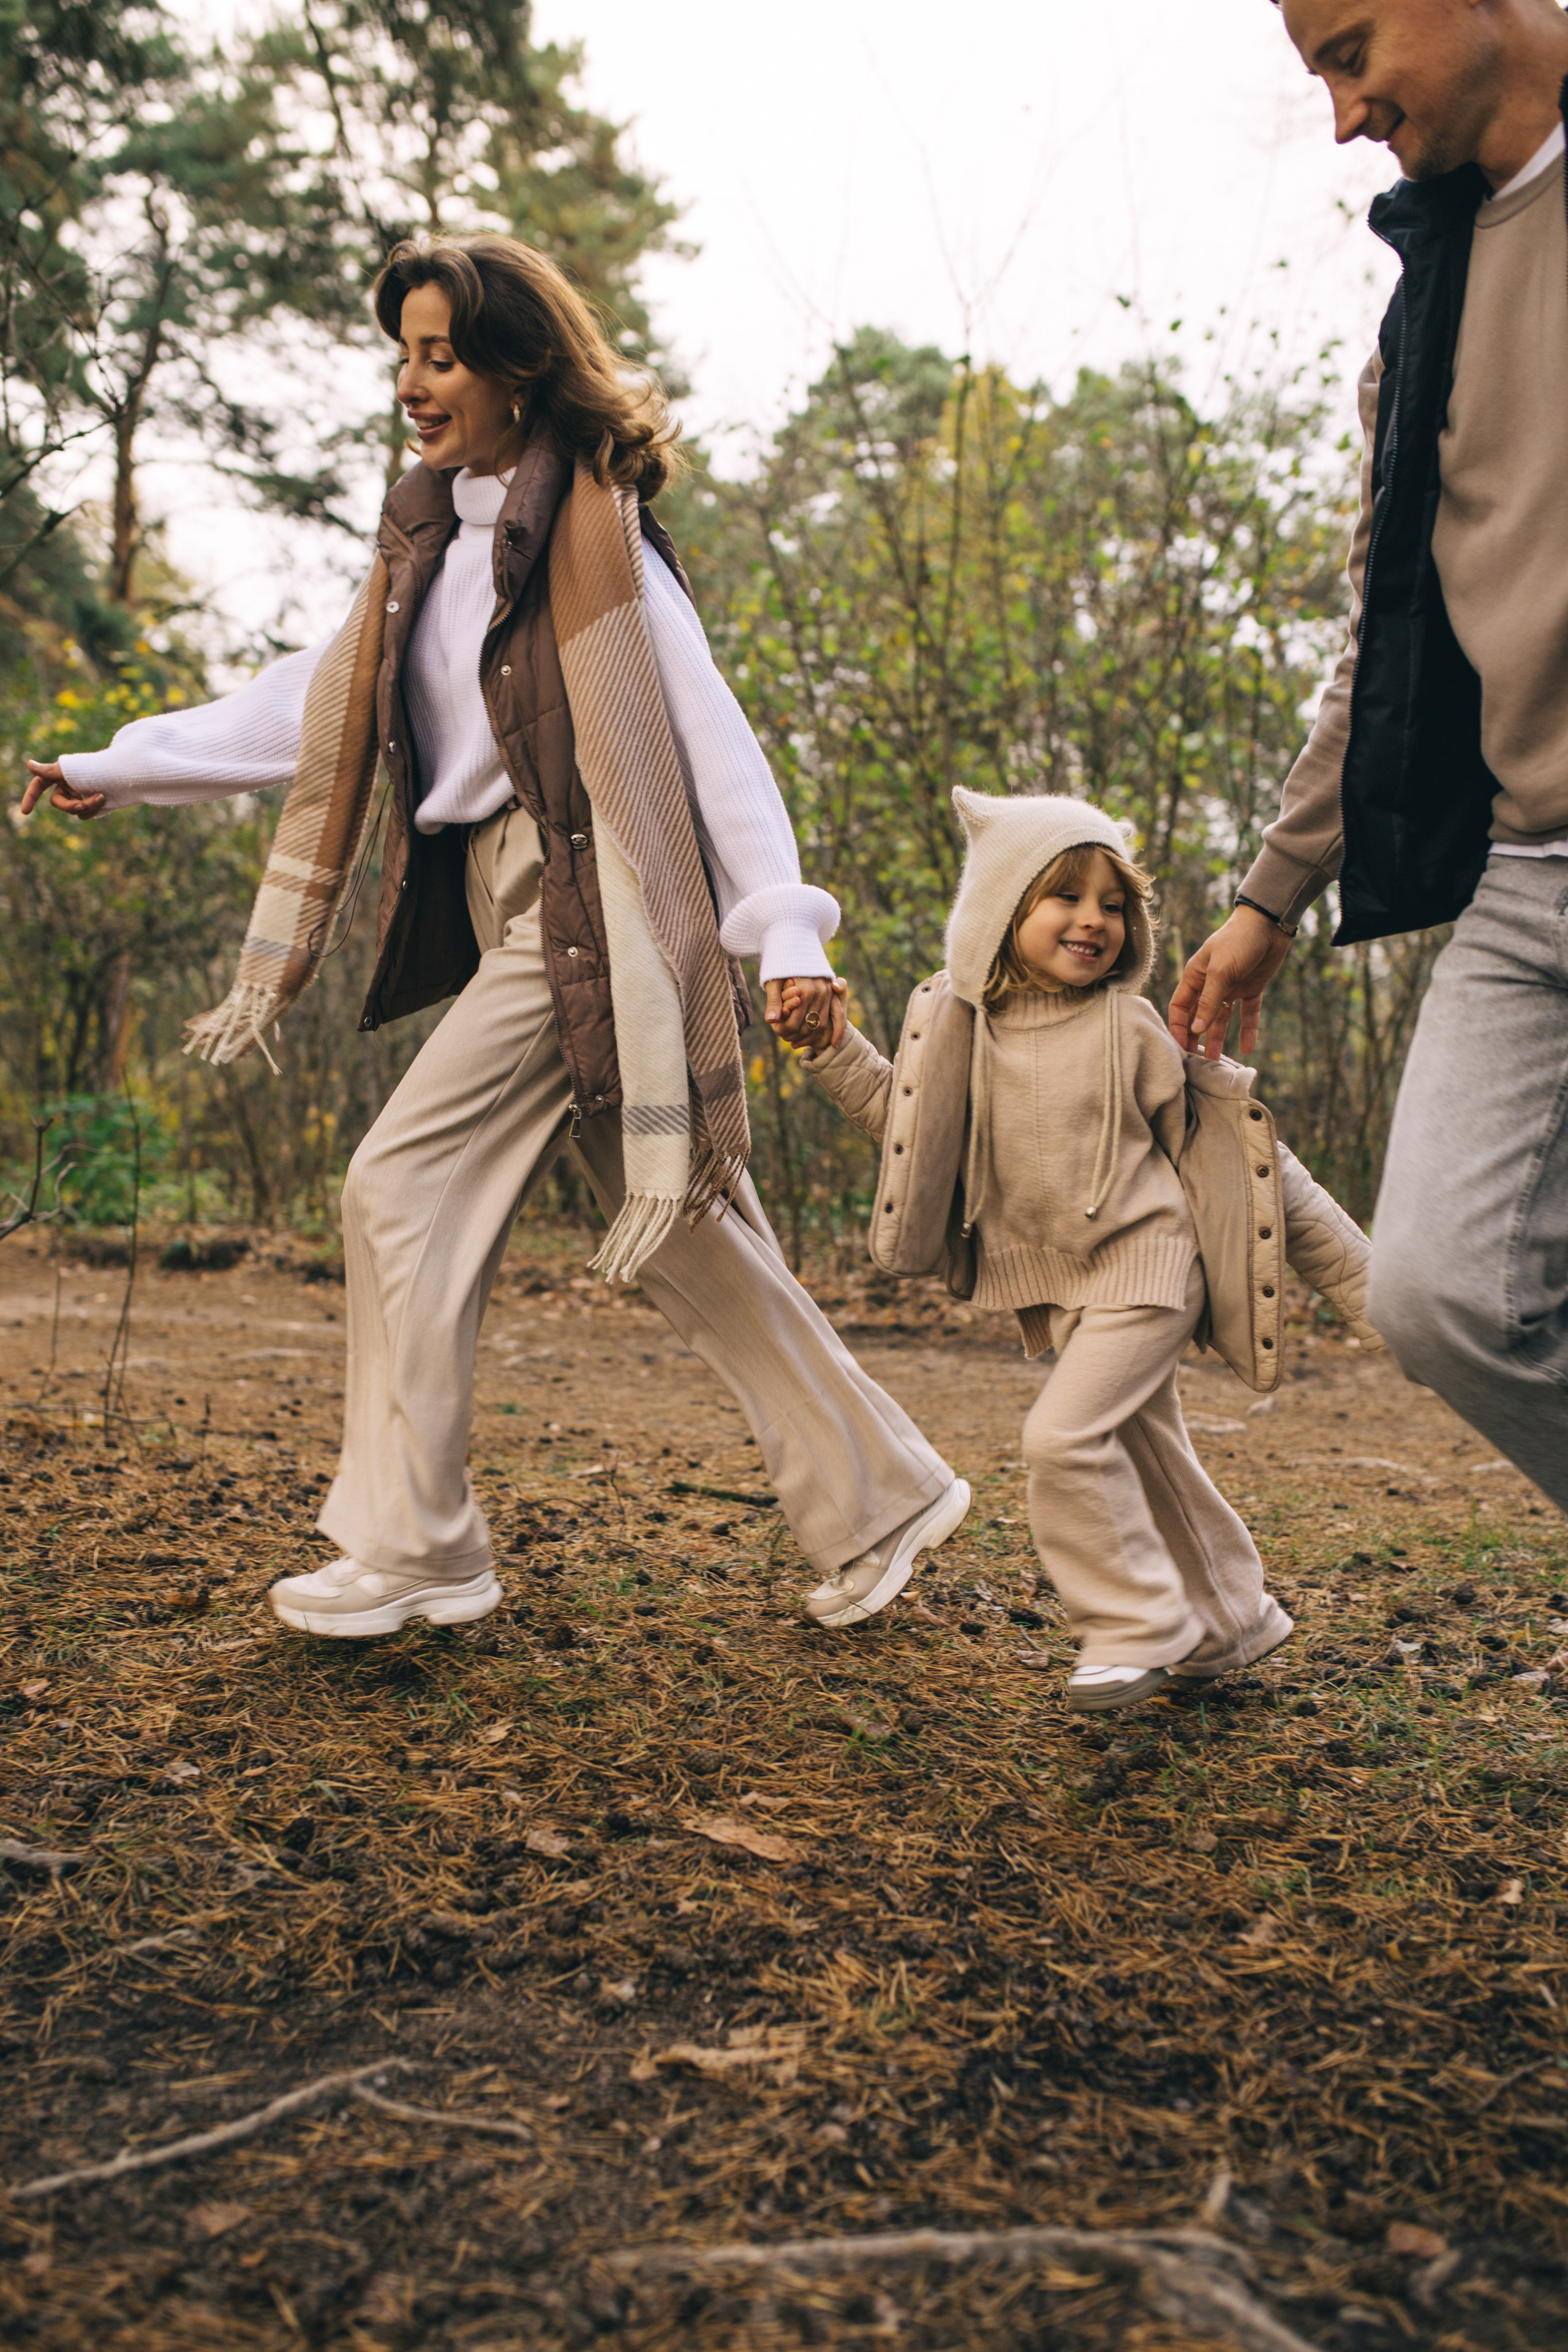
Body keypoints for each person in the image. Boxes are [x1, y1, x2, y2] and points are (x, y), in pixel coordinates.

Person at [21, 233, 969, 1637]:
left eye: (442, 354)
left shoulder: (599, 547)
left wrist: (785, 933)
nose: (413, 382)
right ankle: (879, 1493)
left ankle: (417, 1547)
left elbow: (717, 753)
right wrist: (121, 760)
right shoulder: (427, 539)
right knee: (678, 1227)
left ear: (520, 370)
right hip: (499, 897)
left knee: (395, 1186)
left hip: (589, 909)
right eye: (403, 353)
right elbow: (319, 697)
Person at [1170, 0, 1568, 1512]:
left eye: (1348, 52)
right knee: (1438, 1295)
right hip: (1525, 878)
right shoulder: (1429, 298)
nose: (1342, 114)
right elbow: (1385, 637)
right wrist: (1272, 896)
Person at [794, 790, 1378, 1711]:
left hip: (1146, 1271)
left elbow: (1249, 1161)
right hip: (1062, 1289)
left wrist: (1365, 1285)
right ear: (1001, 913)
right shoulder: (963, 1028)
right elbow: (903, 1122)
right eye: (1063, 896)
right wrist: (832, 1051)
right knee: (1146, 1450)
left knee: (1063, 1438)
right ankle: (1233, 1619)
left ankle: (1135, 1624)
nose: (1093, 920)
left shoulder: (1129, 1027)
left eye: (1113, 903)